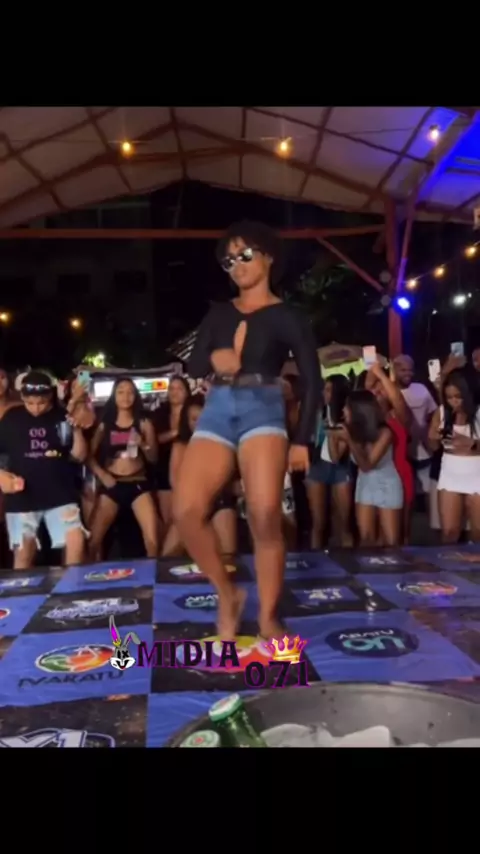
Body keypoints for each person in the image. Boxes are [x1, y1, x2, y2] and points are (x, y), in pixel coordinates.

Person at [173, 220, 321, 641]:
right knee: (186, 511)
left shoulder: (289, 316)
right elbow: (193, 365)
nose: (236, 265)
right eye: (228, 261)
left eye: (245, 255)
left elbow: (312, 381)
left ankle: (268, 615)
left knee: (264, 514)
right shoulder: (219, 312)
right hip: (218, 408)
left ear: (268, 257)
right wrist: (216, 359)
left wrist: (302, 440)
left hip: (264, 407)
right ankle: (228, 593)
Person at [0, 371, 88, 568]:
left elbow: (79, 456)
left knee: (76, 544)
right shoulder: (11, 418)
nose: (35, 408)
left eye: (41, 403)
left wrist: (76, 430)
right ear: (22, 397)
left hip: (60, 493)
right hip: (22, 497)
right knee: (23, 554)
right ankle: (21, 589)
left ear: (50, 396)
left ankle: (70, 585)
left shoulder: (61, 416)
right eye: (30, 403)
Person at [87, 377, 159, 559]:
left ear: (135, 396)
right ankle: (91, 575)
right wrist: (102, 475)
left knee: (152, 540)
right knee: (94, 540)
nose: (125, 396)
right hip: (112, 484)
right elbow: (87, 455)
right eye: (120, 392)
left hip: (138, 484)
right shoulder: (105, 424)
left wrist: (143, 444)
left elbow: (153, 458)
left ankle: (153, 574)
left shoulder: (144, 423)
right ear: (114, 395)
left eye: (130, 392)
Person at [163, 395, 238, 558]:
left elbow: (229, 480)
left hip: (220, 502)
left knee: (228, 557)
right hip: (190, 504)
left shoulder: (224, 444)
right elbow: (174, 481)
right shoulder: (180, 446)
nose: (199, 424)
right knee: (167, 558)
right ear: (187, 421)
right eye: (194, 419)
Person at [333, 389, 403, 546]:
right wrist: (332, 437)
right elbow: (335, 457)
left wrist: (349, 440)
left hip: (387, 485)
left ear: (358, 410)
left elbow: (367, 465)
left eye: (347, 407)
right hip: (364, 485)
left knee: (390, 542)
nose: (343, 410)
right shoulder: (352, 431)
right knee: (366, 540)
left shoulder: (385, 432)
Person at [362, 362, 414, 543]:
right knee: (372, 536)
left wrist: (380, 374)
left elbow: (397, 400)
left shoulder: (398, 416)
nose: (378, 391)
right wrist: (372, 368)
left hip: (399, 473)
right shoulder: (367, 418)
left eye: (382, 388)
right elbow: (366, 390)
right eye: (375, 389)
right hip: (372, 475)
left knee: (399, 534)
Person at [428, 369, 480, 542]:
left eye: (458, 396)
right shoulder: (442, 412)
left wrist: (472, 443)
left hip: (477, 475)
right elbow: (433, 447)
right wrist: (433, 438)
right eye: (449, 397)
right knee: (449, 532)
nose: (453, 402)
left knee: (478, 533)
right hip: (450, 475)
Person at [306, 374, 353, 548]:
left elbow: (335, 457)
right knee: (317, 523)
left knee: (343, 523)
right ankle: (316, 559)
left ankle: (346, 559)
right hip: (317, 466)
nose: (323, 393)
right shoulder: (317, 412)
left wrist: (331, 431)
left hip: (341, 469)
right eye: (324, 389)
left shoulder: (347, 416)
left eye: (328, 390)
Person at [393, 354, 437, 501]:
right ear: (394, 370)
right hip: (401, 454)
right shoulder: (389, 392)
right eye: (403, 370)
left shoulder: (421, 389)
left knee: (429, 495)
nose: (408, 374)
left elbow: (434, 414)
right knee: (405, 496)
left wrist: (429, 435)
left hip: (425, 452)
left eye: (410, 370)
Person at [154, 375, 190, 529]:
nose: (175, 392)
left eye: (179, 388)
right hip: (164, 469)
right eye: (172, 388)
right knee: (168, 520)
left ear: (187, 392)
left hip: (189, 469)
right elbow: (154, 439)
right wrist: (176, 432)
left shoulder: (194, 413)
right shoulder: (159, 413)